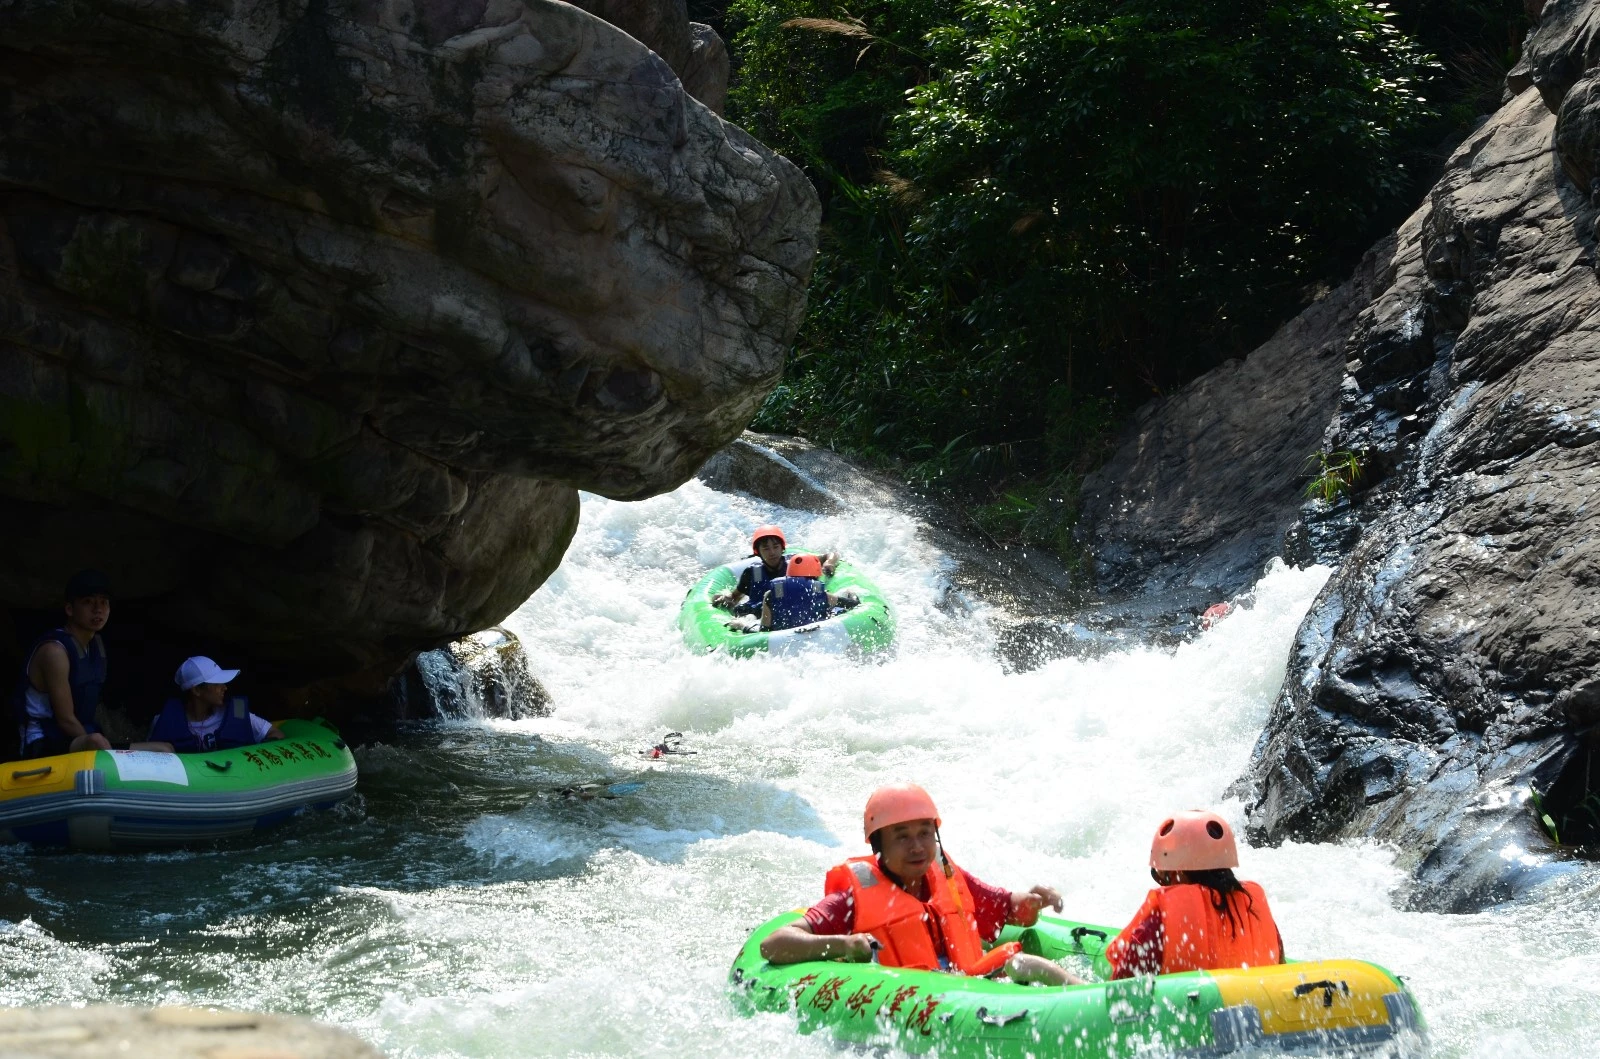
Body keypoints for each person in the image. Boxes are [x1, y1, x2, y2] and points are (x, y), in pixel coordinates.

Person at [759, 784, 1084, 985]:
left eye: (925, 833)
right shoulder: (852, 900)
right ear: (878, 846)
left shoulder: (949, 879)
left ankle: (1087, 995)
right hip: (907, 997)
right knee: (1025, 965)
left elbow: (1005, 909)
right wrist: (843, 945)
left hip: (969, 986)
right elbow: (774, 944)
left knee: (1024, 963)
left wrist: (1031, 902)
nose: (917, 847)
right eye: (902, 837)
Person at [1104, 810, 1283, 979]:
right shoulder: (1254, 907)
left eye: (1164, 876)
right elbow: (1279, 964)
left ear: (1179, 872)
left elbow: (1120, 994)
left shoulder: (1160, 923)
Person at [14, 570, 115, 758]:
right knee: (97, 741)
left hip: (80, 738)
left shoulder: (95, 646)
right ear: (69, 609)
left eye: (103, 602)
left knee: (163, 748)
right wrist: (103, 751)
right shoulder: (55, 651)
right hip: (43, 741)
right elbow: (66, 720)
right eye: (88, 602)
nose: (98, 609)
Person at [146, 656, 284, 752]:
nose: (225, 687)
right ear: (197, 690)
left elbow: (276, 733)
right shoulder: (162, 721)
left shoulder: (237, 712)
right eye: (217, 683)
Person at [711, 526, 838, 614]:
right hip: (758, 615)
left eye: (775, 547)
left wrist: (829, 562)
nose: (772, 552)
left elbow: (830, 554)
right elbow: (735, 597)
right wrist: (726, 599)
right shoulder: (751, 573)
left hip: (793, 611)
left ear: (782, 548)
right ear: (758, 552)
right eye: (766, 548)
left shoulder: (797, 562)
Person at [759, 553, 858, 631]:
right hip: (815, 634)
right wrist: (853, 595)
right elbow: (853, 604)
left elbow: (764, 629)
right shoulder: (817, 591)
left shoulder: (771, 594)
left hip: (781, 637)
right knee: (846, 592)